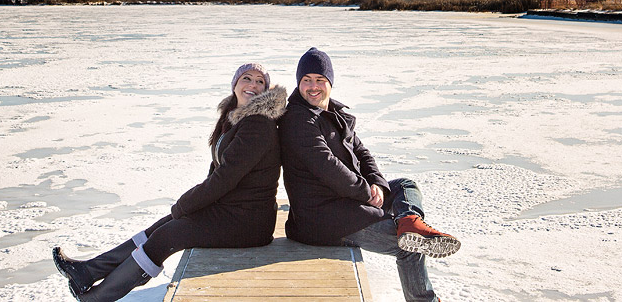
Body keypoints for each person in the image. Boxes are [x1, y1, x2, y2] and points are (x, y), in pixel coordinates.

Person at [53, 63, 286, 301]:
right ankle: (88, 272)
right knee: (164, 225)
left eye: (260, 82)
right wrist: (188, 207)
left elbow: (225, 178)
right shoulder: (234, 118)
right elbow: (216, 169)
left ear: (265, 90)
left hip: (249, 221)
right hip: (231, 209)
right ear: (235, 84)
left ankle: (97, 297)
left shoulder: (258, 124)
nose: (253, 85)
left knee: (168, 236)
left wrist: (186, 204)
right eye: (247, 78)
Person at [279, 47, 459, 302]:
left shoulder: (334, 114)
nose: (313, 86)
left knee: (404, 185)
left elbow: (363, 153)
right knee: (408, 249)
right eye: (306, 80)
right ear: (298, 84)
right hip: (323, 219)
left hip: (346, 202)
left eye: (320, 80)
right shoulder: (297, 119)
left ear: (330, 82)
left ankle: (409, 221)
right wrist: (367, 193)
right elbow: (327, 165)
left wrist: (377, 184)